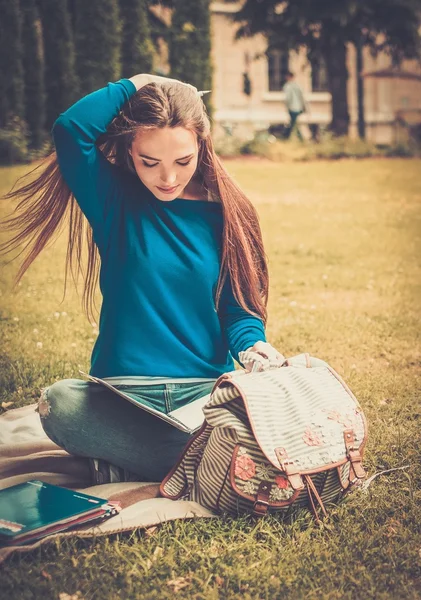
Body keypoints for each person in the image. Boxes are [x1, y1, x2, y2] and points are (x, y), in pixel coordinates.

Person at [1, 73, 284, 484]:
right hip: (123, 394)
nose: (167, 178)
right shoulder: (112, 198)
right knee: (58, 404)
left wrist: (255, 348)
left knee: (247, 418)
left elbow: (237, 311)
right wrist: (140, 81)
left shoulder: (228, 214)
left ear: (202, 146)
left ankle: (135, 460)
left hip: (202, 395)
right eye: (149, 162)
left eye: (182, 162)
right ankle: (201, 464)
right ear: (129, 153)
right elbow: (70, 129)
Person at [283, 71, 307, 141]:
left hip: (292, 108)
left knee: (293, 124)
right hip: (298, 108)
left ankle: (286, 137)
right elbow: (302, 97)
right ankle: (299, 138)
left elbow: (288, 98)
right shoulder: (298, 86)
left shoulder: (287, 86)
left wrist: (287, 107)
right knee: (294, 123)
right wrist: (303, 107)